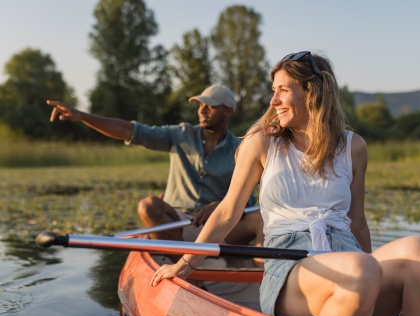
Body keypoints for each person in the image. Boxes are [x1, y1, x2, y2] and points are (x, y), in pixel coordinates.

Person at [150, 51, 420, 316]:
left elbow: (356, 224)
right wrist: (185, 264)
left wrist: (371, 281)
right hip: (290, 266)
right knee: (361, 269)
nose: (273, 101)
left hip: (350, 259)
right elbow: (228, 211)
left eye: (282, 90)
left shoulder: (353, 147)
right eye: (273, 91)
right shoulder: (263, 142)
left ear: (312, 92)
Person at [46, 84, 264, 252]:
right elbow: (130, 131)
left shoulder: (242, 148)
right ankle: (189, 274)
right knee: (148, 205)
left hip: (218, 225)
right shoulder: (180, 134)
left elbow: (248, 202)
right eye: (200, 105)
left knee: (259, 218)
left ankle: (263, 281)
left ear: (228, 112)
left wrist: (220, 205)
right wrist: (83, 116)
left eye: (210, 106)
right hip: (176, 226)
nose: (202, 110)